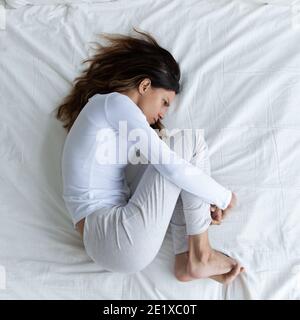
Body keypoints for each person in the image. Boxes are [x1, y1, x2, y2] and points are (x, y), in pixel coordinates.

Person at [55, 27, 244, 284]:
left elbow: (175, 174)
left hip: (109, 240)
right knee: (189, 141)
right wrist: (223, 197)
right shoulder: (115, 103)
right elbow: (171, 167)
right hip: (113, 234)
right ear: (145, 85)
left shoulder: (116, 126)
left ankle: (186, 259)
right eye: (164, 102)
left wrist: (203, 194)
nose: (164, 113)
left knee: (181, 157)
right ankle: (200, 254)